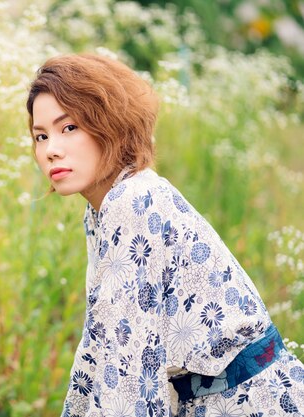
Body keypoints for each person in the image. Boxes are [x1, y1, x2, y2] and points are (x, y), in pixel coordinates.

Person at [26, 53, 304, 417]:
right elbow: (103, 344)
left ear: (110, 124)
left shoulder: (133, 201)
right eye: (40, 136)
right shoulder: (105, 209)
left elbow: (130, 370)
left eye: (70, 128)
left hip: (247, 404)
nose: (51, 150)